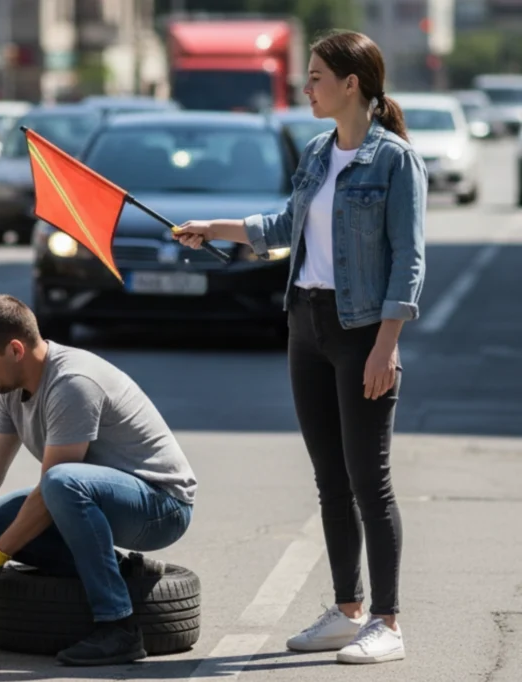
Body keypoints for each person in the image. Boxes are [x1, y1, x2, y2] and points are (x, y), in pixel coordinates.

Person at [173, 30, 425, 665]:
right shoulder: (316, 151)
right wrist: (217, 229)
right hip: (306, 324)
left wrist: (385, 346)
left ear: (351, 85)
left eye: (315, 77)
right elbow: (284, 226)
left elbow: (409, 261)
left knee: (372, 482)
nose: (305, 86)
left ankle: (388, 623)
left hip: (363, 329)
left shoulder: (394, 160)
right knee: (329, 480)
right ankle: (348, 611)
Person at [0, 294, 197, 667]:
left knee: (61, 483)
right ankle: (124, 572)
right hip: (102, 496)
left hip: (160, 505)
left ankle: (118, 627)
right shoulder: (11, 386)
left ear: (15, 349)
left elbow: (52, 491)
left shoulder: (72, 384)